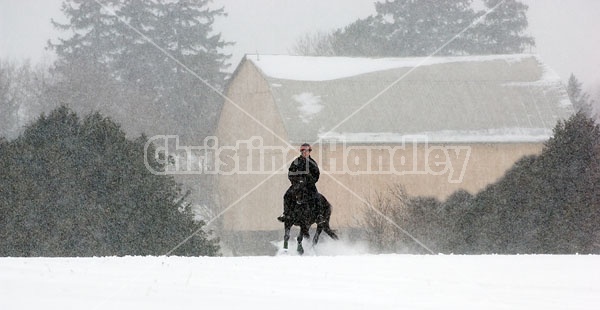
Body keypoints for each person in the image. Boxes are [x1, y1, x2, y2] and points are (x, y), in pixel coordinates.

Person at [278, 143, 321, 222]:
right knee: (287, 195)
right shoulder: (296, 162)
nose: (305, 152)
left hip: (309, 185)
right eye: (303, 151)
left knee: (316, 197)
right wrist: (296, 181)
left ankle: (319, 215)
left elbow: (316, 175)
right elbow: (291, 173)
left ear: (309, 152)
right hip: (297, 185)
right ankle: (286, 214)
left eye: (307, 151)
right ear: (301, 152)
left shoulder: (312, 163)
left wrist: (309, 181)